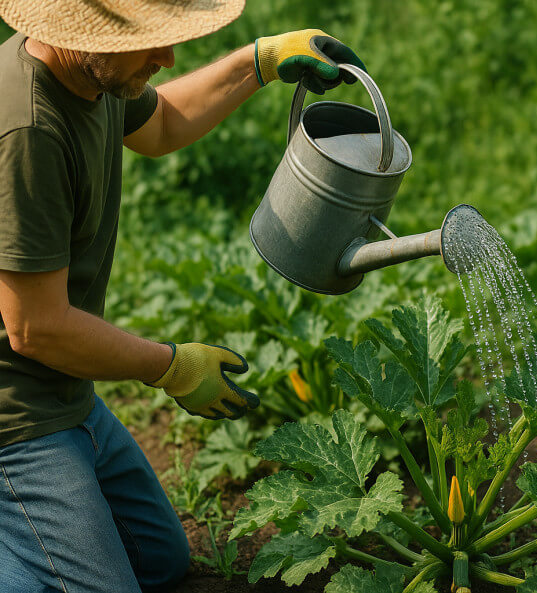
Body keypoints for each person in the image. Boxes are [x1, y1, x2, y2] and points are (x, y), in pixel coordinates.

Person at [0, 1, 364, 591]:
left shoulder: (92, 78)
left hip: (64, 390)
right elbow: (36, 328)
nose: (168, 57)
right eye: (152, 41)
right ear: (87, 36)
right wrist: (171, 366)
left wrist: (261, 61)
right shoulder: (27, 131)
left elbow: (164, 123)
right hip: (14, 415)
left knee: (159, 559)